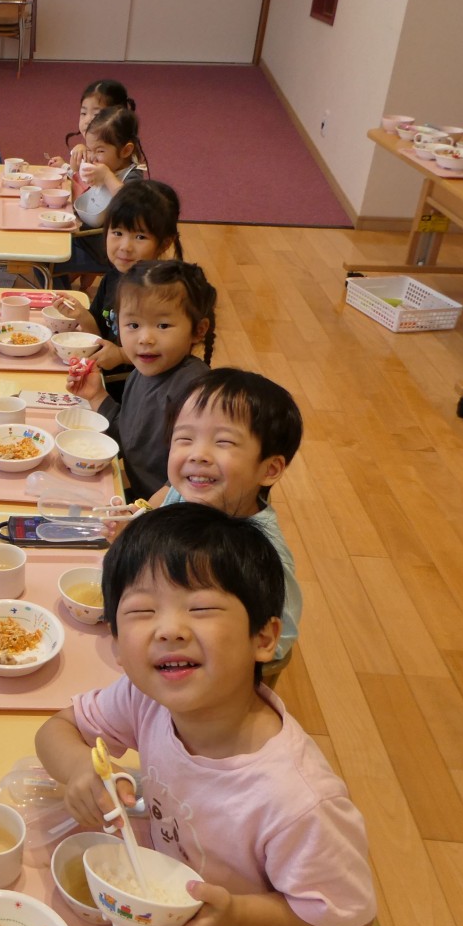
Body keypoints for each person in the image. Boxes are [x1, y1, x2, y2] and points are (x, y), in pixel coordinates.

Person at [35, 504, 375, 926]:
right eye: (142, 612)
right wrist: (82, 767)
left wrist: (231, 914)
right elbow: (55, 731)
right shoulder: (146, 698)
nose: (168, 629)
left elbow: (346, 918)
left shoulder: (298, 798)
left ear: (264, 638)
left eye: (201, 609)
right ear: (117, 649)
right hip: (167, 915)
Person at [106, 369, 305, 680]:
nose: (198, 455)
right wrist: (132, 526)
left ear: (270, 468)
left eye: (223, 442)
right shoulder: (185, 491)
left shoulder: (263, 554)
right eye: (184, 438)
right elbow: (156, 504)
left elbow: (281, 642)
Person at [67, 259, 216, 501]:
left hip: (174, 516)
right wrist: (96, 395)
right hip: (142, 501)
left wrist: (141, 514)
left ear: (198, 330)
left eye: (163, 325)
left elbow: (193, 480)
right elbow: (128, 439)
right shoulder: (140, 373)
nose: (145, 338)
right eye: (133, 325)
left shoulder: (196, 392)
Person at [62, 179, 183, 380]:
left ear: (164, 243)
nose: (125, 246)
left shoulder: (162, 293)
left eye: (140, 237)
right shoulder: (114, 277)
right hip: (99, 380)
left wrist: (121, 355)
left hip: (134, 391)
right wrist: (81, 315)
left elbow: (170, 350)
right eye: (117, 233)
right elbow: (99, 334)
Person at [72, 106, 149, 233]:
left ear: (125, 150)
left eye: (100, 151)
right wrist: (78, 152)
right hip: (82, 228)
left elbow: (129, 203)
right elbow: (75, 172)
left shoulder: (132, 174)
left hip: (101, 242)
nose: (92, 157)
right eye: (89, 149)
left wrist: (107, 177)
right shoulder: (106, 165)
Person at [49, 79, 135, 174]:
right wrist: (65, 166)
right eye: (83, 113)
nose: (87, 121)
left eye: (96, 115)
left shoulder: (120, 160)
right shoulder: (95, 150)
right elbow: (84, 178)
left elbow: (98, 182)